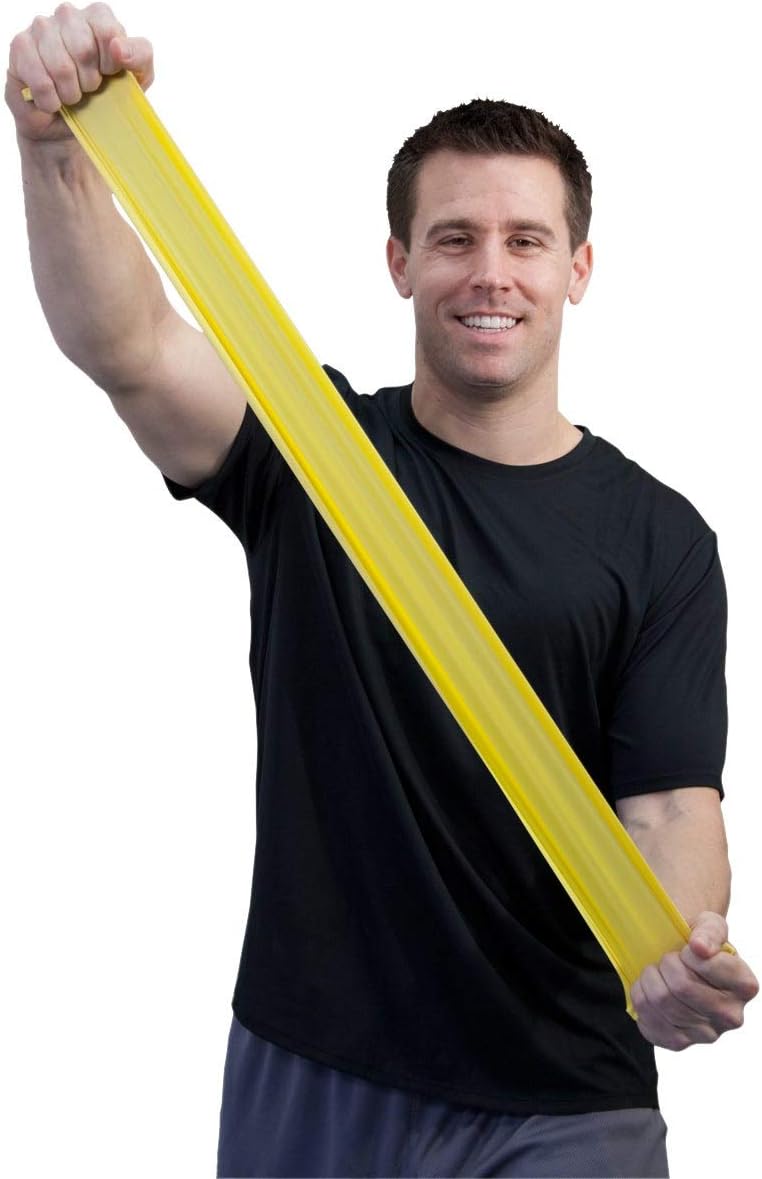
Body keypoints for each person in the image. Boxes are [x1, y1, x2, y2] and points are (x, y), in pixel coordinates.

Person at [7, 6, 759, 1178]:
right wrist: (58, 144)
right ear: (400, 262)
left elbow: (668, 807)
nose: (491, 272)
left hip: (565, 1097)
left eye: (525, 240)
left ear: (578, 269)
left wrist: (672, 946)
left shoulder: (658, 538)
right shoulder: (313, 453)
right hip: (317, 1071)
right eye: (454, 238)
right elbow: (132, 344)